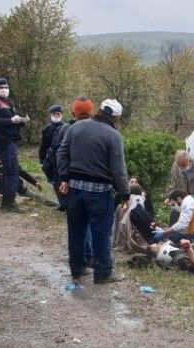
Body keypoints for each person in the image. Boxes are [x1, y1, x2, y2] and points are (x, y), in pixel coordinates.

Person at [57, 99, 129, 284]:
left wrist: (64, 177)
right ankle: (103, 272)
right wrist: (124, 193)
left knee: (76, 231)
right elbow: (118, 169)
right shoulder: (113, 136)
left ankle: (77, 268)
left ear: (98, 111)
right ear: (116, 118)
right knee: (101, 233)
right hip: (99, 192)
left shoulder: (75, 128)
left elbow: (61, 153)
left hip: (74, 189)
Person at [0, 77, 30, 212]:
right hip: (2, 141)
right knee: (11, 171)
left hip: (11, 140)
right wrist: (11, 120)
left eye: (6, 86)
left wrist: (21, 121)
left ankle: (9, 202)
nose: (4, 89)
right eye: (1, 87)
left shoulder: (8, 102)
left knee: (12, 170)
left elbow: (12, 121)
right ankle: (8, 203)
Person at [47, 97, 94, 211]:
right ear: (92, 113)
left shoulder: (66, 129)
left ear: (73, 113)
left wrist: (63, 177)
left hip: (71, 178)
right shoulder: (100, 130)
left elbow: (60, 154)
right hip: (93, 182)